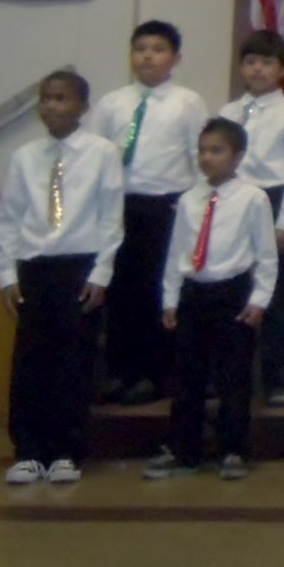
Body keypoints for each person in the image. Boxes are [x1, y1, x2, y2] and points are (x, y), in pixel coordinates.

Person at [0, 71, 124, 487]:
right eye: (46, 98)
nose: (52, 105)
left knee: (73, 360)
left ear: (83, 107)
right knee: (31, 361)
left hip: (79, 265)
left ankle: (67, 450)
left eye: (62, 98)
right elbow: (9, 218)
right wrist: (6, 272)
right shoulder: (25, 156)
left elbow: (110, 216)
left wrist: (101, 272)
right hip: (35, 265)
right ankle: (30, 450)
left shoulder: (101, 153)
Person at [143, 119, 278, 481]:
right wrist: (170, 299)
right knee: (188, 376)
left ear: (238, 157)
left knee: (234, 376)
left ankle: (233, 449)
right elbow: (177, 253)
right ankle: (183, 450)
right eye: (202, 150)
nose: (207, 158)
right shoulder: (189, 200)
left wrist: (260, 298)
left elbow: (266, 254)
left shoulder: (253, 198)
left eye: (216, 150)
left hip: (232, 292)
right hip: (194, 292)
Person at [88, 21, 210, 404]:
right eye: (141, 48)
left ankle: (153, 374)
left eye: (158, 49)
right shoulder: (113, 103)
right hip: (119, 205)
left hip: (166, 206)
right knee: (121, 290)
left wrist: (192, 204)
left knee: (158, 290)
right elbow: (96, 155)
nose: (147, 56)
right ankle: (120, 371)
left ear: (174, 58)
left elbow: (198, 155)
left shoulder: (186, 102)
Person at [219, 30, 284, 407]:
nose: (258, 69)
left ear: (282, 68)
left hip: (273, 199)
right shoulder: (227, 113)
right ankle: (227, 377)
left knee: (274, 294)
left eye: (267, 62)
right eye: (251, 62)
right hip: (232, 201)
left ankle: (277, 379)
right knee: (230, 289)